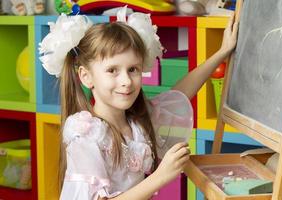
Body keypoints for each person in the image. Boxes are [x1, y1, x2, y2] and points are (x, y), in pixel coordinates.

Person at [39, 7, 238, 200]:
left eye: (133, 69)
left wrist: (222, 52)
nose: (126, 81)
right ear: (86, 77)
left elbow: (181, 92)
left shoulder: (137, 123)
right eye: (112, 70)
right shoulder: (86, 135)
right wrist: (161, 176)